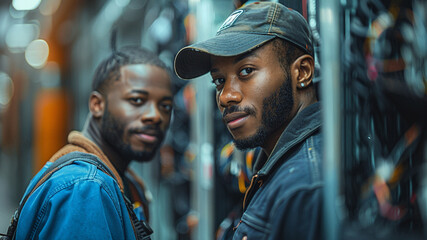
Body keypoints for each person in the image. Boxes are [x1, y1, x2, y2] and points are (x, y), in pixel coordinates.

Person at [174, 2, 323, 240]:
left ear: (302, 72)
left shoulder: (302, 189)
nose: (225, 96)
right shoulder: (281, 171)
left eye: (246, 71)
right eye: (219, 81)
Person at [13, 45, 174, 239]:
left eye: (165, 106)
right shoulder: (85, 189)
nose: (155, 116)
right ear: (97, 105)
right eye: (137, 100)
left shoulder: (120, 179)